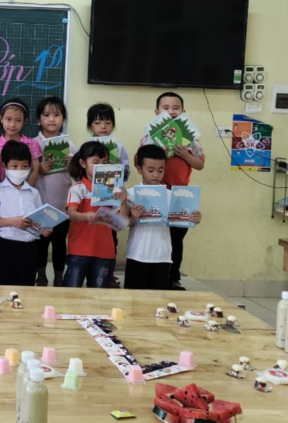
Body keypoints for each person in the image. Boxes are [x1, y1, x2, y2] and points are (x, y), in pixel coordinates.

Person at [140, 91, 205, 291]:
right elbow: (139, 161)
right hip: (155, 193)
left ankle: (173, 278)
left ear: (183, 112)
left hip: (180, 196)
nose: (171, 112)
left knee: (176, 239)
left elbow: (200, 164)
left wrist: (186, 155)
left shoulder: (190, 138)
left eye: (176, 108)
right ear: (156, 112)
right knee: (155, 237)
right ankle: (151, 276)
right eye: (165, 108)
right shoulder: (149, 137)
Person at [125, 144, 201, 290]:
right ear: (140, 169)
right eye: (150, 170)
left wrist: (196, 218)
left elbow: (184, 219)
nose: (156, 175)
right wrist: (133, 216)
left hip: (163, 256)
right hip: (137, 254)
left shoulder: (172, 196)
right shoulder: (131, 194)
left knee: (159, 300)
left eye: (160, 170)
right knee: (133, 298)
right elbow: (126, 223)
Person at [64, 140, 129, 288]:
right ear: (83, 163)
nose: (101, 166)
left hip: (105, 251)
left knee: (99, 295)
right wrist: (88, 216)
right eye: (95, 162)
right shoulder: (78, 189)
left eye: (104, 162)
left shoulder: (113, 189)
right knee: (71, 293)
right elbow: (71, 214)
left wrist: (124, 202)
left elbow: (122, 219)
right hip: (79, 250)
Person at [0, 140, 50, 286]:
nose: (20, 170)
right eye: (14, 166)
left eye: (25, 166)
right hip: (5, 247)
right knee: (3, 286)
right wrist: (13, 221)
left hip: (30, 247)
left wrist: (45, 229)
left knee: (26, 287)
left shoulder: (33, 192)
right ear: (4, 166)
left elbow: (40, 220)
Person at [34, 96, 76, 287]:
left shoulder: (71, 146)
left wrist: (73, 165)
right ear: (38, 120)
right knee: (41, 244)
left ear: (63, 119)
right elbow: (26, 173)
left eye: (57, 115)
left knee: (60, 244)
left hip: (62, 206)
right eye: (46, 115)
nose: (51, 119)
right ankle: (41, 276)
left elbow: (78, 177)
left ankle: (59, 278)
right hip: (40, 205)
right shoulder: (33, 144)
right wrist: (38, 169)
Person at [87, 102, 129, 288]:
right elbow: (80, 174)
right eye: (97, 123)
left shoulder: (118, 147)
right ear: (90, 126)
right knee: (92, 236)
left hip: (112, 199)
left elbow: (126, 174)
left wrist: (119, 166)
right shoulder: (86, 147)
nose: (103, 127)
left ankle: (109, 274)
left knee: (111, 238)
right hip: (91, 200)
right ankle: (90, 272)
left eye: (107, 123)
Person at [0, 97, 42, 186]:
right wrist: (0, 191)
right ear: (1, 118)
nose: (12, 124)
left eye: (18, 120)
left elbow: (35, 171)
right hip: (2, 192)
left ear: (24, 121)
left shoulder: (32, 145)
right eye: (8, 119)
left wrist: (25, 190)